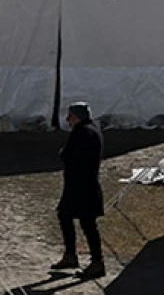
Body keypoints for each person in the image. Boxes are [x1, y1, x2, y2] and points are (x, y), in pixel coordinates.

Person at [51, 102, 105, 278]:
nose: (67, 120)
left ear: (77, 116)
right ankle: (71, 255)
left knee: (88, 224)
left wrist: (63, 154)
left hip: (82, 186)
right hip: (82, 185)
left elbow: (69, 156)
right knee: (65, 215)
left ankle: (97, 262)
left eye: (70, 116)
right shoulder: (92, 130)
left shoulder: (82, 133)